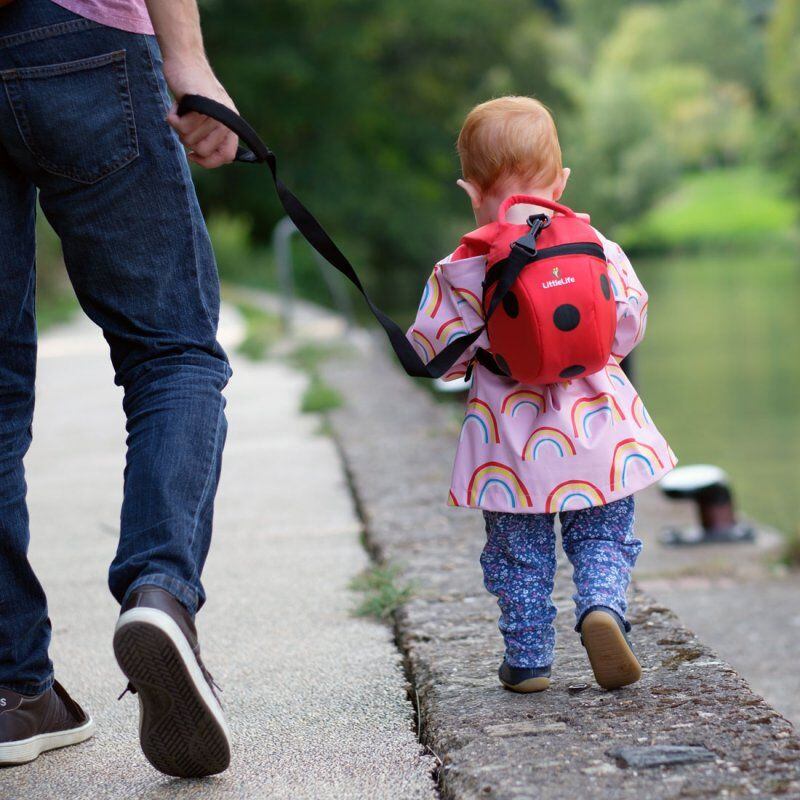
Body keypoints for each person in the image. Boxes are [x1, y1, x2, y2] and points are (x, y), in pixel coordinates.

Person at [0, 0, 239, 777]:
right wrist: (190, 62)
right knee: (172, 352)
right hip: (80, 35)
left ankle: (14, 691)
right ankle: (159, 591)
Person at [407, 96, 675, 693]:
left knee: (517, 555)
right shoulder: (595, 245)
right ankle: (602, 605)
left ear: (470, 190)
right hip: (601, 434)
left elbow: (435, 355)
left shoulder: (461, 266)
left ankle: (528, 659)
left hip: (510, 447)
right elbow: (629, 325)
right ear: (562, 181)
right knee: (605, 534)